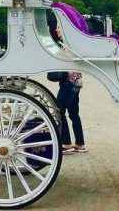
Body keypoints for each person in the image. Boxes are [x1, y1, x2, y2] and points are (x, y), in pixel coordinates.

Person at [52, 25, 87, 153]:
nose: (56, 30)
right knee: (73, 114)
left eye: (58, 27)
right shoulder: (72, 42)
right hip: (76, 83)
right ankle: (80, 143)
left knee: (59, 111)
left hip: (68, 82)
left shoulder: (65, 43)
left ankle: (66, 142)